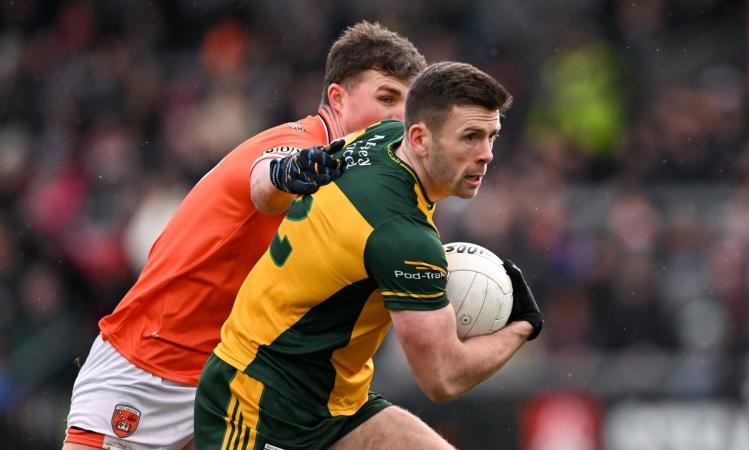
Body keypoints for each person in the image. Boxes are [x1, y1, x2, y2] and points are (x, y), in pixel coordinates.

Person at [63, 22, 426, 450]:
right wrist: (288, 175)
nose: (398, 118)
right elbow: (266, 182)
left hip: (240, 380)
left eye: (408, 108)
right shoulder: (301, 143)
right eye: (387, 98)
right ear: (337, 98)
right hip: (150, 366)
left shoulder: (368, 185)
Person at [194, 61, 544, 450]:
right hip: (259, 405)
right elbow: (442, 378)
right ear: (420, 138)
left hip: (336, 405)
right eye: (470, 137)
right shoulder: (402, 237)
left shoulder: (382, 136)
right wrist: (523, 325)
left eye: (492, 137)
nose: (486, 154)